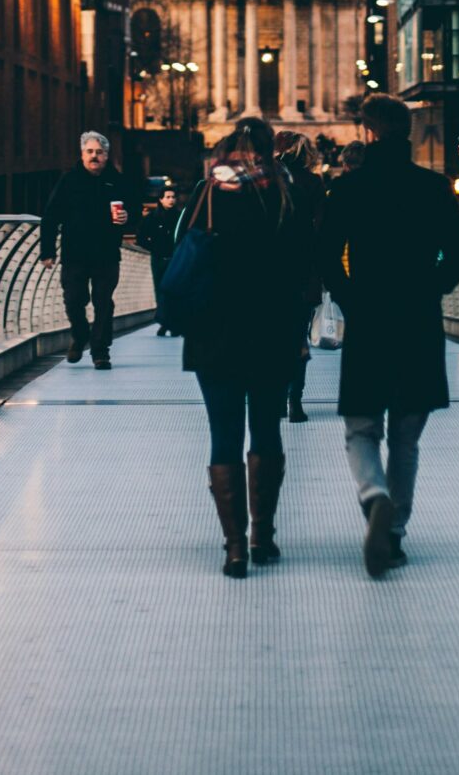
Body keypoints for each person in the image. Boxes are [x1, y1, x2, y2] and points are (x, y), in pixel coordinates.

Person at [320, 93, 459, 577]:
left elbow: (325, 256)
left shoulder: (348, 188)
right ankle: (395, 533)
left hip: (369, 321)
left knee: (361, 427)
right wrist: (429, 288)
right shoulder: (432, 187)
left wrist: (351, 297)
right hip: (417, 321)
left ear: (368, 133)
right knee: (406, 436)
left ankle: (374, 495)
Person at [179, 117, 313, 578]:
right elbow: (303, 270)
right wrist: (298, 332)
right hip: (271, 333)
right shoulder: (283, 194)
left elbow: (183, 255)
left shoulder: (208, 194)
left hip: (214, 333)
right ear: (269, 151)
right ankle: (263, 536)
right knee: (267, 432)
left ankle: (234, 547)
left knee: (224, 434)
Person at [37, 131, 137, 369]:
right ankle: (80, 335)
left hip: (107, 254)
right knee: (73, 300)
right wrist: (47, 251)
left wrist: (127, 217)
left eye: (99, 152)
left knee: (103, 302)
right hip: (75, 254)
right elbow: (50, 216)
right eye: (90, 152)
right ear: (82, 154)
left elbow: (134, 208)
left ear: (106, 155)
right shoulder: (69, 181)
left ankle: (100, 352)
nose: (95, 156)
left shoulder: (118, 180)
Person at [275, 132, 329, 423]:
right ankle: (295, 400)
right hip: (304, 271)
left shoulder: (268, 181)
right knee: (298, 337)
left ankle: (275, 394)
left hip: (271, 275)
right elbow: (323, 230)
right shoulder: (313, 183)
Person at [138, 180, 184, 337]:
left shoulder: (180, 217)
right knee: (160, 291)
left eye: (173, 197)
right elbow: (141, 238)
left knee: (174, 291)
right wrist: (155, 249)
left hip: (176, 259)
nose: (171, 199)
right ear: (161, 199)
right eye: (168, 197)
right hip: (158, 259)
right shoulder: (152, 218)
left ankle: (171, 324)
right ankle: (165, 323)